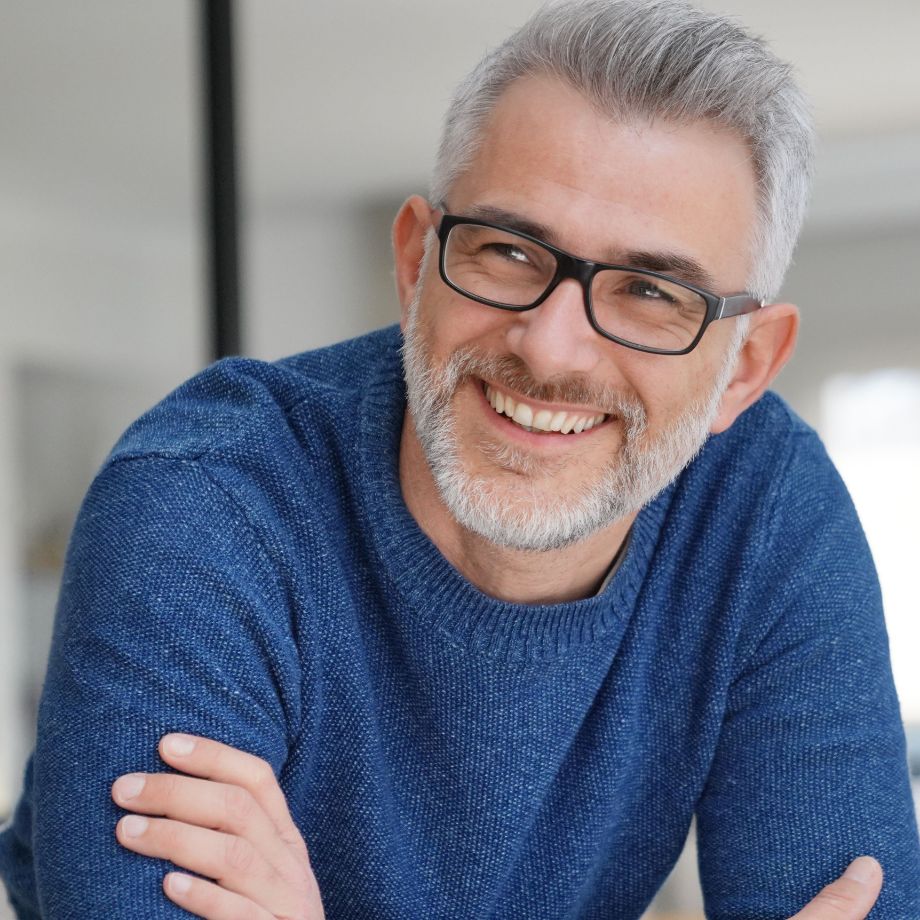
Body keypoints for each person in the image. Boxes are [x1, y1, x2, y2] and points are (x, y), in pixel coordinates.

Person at [1, 0, 918, 917]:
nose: (552, 349)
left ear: (744, 369)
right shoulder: (204, 502)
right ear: (415, 267)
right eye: (511, 251)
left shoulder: (764, 512)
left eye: (650, 291)